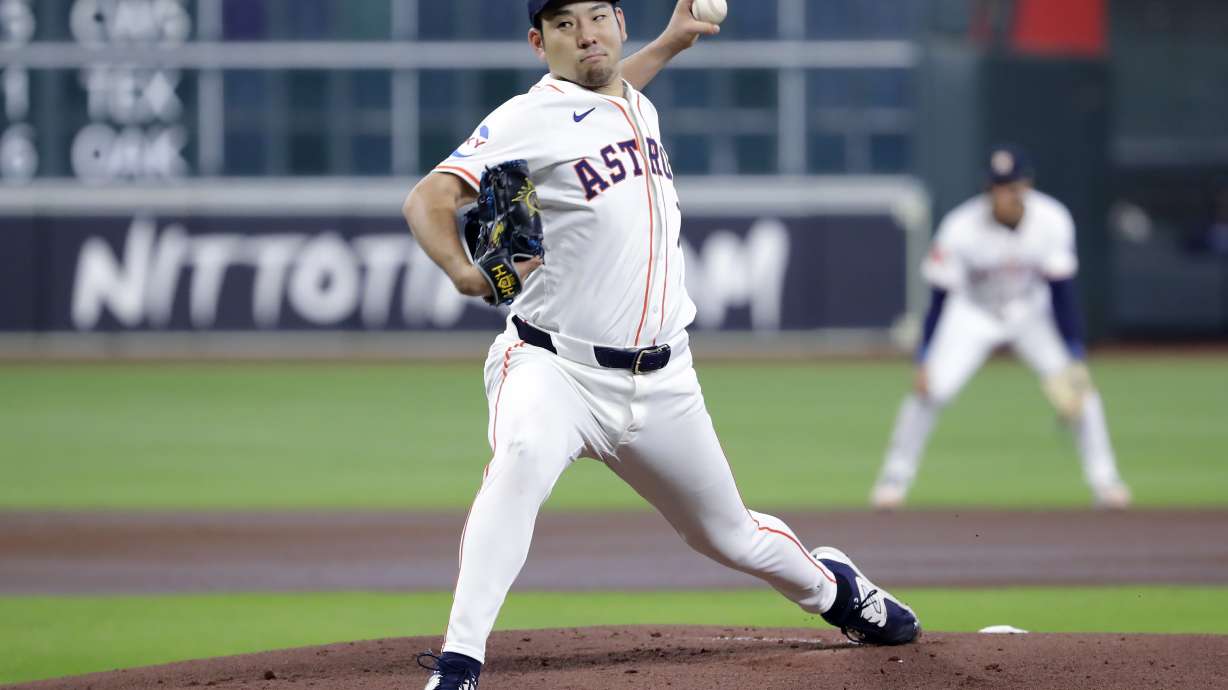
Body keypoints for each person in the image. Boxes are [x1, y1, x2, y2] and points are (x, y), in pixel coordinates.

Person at [403, 1, 920, 688]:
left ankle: (836, 591)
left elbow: (614, 90)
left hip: (664, 378)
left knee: (727, 534)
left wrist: (672, 42)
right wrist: (465, 273)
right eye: (563, 24)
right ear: (538, 42)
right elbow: (427, 200)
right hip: (554, 366)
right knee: (522, 459)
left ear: (619, 22)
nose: (585, 34)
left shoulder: (632, 105)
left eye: (596, 17)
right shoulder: (528, 117)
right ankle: (460, 661)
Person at [870, 145, 1132, 511]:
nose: (1004, 193)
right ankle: (894, 478)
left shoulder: (1053, 219)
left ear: (1027, 186)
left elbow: (1062, 294)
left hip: (1031, 312)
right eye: (997, 186)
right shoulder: (960, 227)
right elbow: (941, 298)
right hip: (973, 312)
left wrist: (1073, 355)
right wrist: (925, 357)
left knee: (1081, 393)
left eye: (1011, 185)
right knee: (930, 392)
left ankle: (1106, 481)